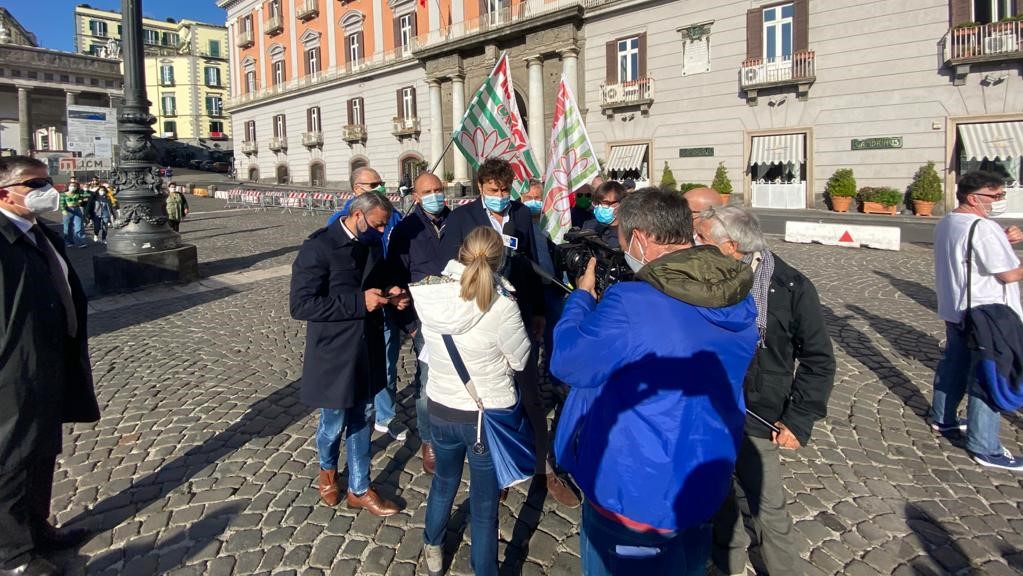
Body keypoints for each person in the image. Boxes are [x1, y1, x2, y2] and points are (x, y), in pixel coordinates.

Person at [551, 187, 759, 576]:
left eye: (624, 241)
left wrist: (581, 299)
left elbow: (569, 362)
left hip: (636, 492)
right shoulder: (736, 291)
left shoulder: (632, 302)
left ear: (642, 240)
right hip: (704, 479)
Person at [697, 206, 836, 576]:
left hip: (758, 412)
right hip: (710, 406)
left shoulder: (791, 286)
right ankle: (728, 562)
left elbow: (819, 359)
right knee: (718, 496)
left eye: (702, 238)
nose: (695, 243)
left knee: (768, 506)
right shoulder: (700, 277)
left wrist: (800, 418)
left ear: (730, 246)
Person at [440, 158, 579, 507]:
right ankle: (499, 470)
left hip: (520, 315)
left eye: (505, 190)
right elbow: (448, 268)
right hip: (480, 321)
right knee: (493, 402)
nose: (501, 196)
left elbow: (531, 266)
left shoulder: (520, 214)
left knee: (531, 394)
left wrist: (537, 311)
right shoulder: (461, 218)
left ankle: (544, 468)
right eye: (494, 190)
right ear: (480, 188)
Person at [0, 156, 101, 576]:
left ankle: (38, 528)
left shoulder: (42, 233)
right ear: (4, 193)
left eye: (48, 181)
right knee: (12, 459)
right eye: (35, 184)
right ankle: (12, 556)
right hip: (12, 368)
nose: (48, 190)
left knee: (42, 451)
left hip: (50, 358)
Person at [412, 226, 531, 576]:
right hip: (484, 416)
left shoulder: (429, 295)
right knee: (484, 503)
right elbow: (521, 360)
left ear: (461, 252)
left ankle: (432, 546)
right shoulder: (503, 305)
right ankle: (484, 569)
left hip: (441, 406)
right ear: (500, 260)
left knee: (443, 482)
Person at [290, 192, 408, 515]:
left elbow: (379, 280)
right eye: (379, 224)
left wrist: (392, 292)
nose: (383, 231)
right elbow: (301, 305)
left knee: (363, 417)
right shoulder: (318, 247)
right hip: (334, 352)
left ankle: (359, 487)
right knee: (333, 422)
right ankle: (327, 470)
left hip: (367, 346)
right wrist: (359, 302)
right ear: (358, 215)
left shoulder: (371, 243)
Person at [931, 170, 1023, 470]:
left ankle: (943, 418)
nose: (999, 200)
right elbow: (1008, 274)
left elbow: (971, 257)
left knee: (954, 365)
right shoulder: (983, 227)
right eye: (994, 195)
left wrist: (1004, 241)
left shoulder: (948, 221)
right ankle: (985, 446)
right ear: (973, 198)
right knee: (988, 374)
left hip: (956, 308)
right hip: (988, 313)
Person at [328, 167, 408, 442]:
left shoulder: (393, 215)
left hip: (388, 297)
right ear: (356, 190)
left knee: (387, 363)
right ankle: (353, 416)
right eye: (373, 184)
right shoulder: (339, 221)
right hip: (359, 305)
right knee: (357, 365)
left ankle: (386, 416)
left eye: (381, 182)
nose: (380, 187)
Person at [385, 172, 452, 474]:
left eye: (438, 189)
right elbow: (395, 278)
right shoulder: (405, 229)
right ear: (416, 196)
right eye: (427, 192)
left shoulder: (459, 221)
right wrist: (409, 323)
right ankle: (429, 440)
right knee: (427, 383)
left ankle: (458, 431)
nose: (435, 195)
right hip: (424, 321)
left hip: (458, 315)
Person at [581, 181, 624, 249]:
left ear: (621, 204)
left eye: (606, 203)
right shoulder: (588, 227)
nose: (600, 207)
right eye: (597, 203)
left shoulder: (629, 232)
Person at [60, 177, 86, 248]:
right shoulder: (63, 194)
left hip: (77, 210)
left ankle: (81, 242)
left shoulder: (78, 194)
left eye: (74, 186)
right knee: (68, 227)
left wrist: (82, 199)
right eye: (71, 186)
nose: (73, 187)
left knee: (79, 226)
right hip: (68, 210)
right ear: (68, 186)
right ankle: (69, 241)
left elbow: (85, 196)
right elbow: (62, 204)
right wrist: (63, 210)